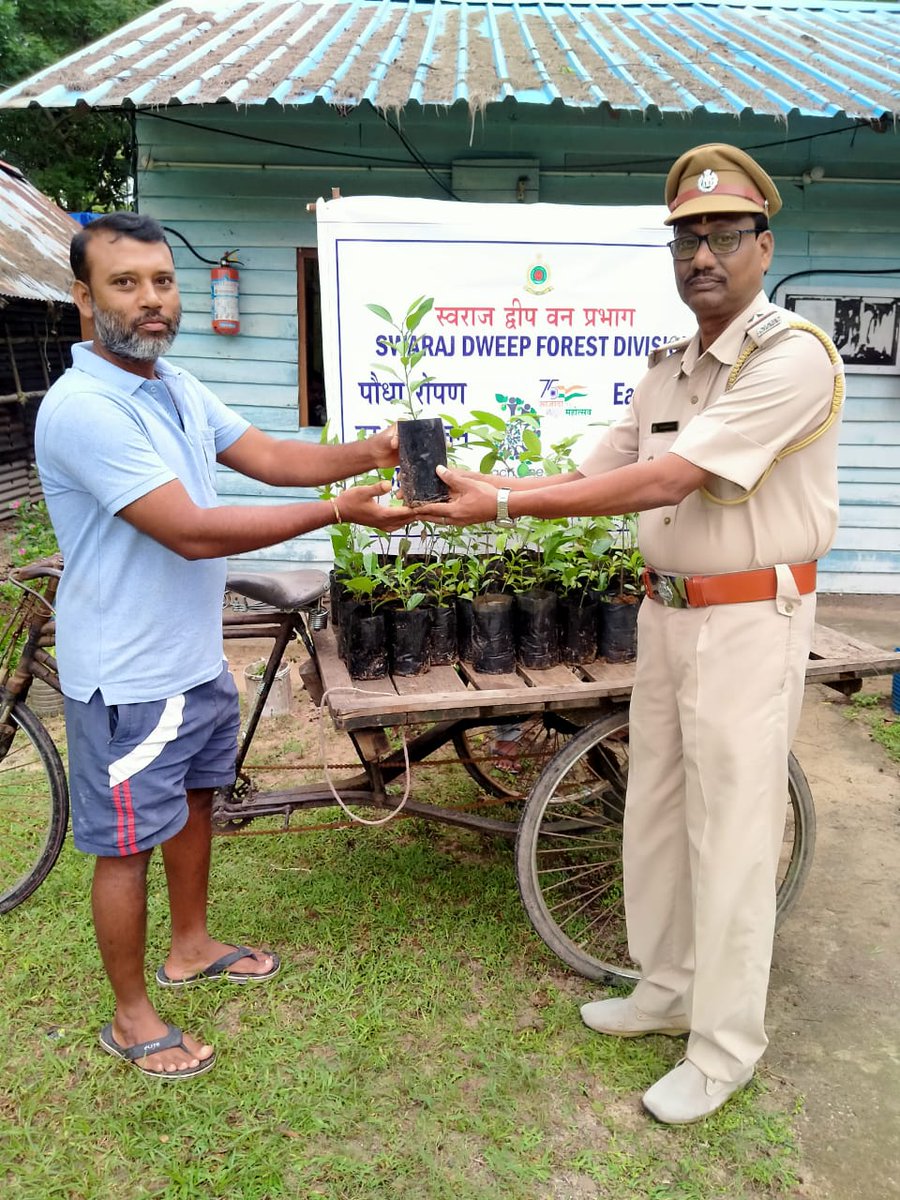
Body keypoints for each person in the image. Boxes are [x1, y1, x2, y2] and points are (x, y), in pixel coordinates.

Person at [416, 144, 842, 1123]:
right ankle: (666, 988)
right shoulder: (667, 370)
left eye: (723, 236)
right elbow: (595, 469)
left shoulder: (791, 359)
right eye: (687, 238)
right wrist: (481, 491)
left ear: (762, 245)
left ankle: (726, 1046)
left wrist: (507, 505)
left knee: (732, 833)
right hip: (669, 613)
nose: (703, 255)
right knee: (652, 810)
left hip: (750, 616)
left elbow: (665, 480)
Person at [35, 212, 413, 1080]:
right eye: (126, 283)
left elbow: (270, 456)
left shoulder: (169, 384)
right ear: (84, 296)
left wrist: (371, 452)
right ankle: (132, 1017)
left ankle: (192, 945)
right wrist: (337, 513)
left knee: (198, 801)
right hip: (128, 674)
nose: (152, 299)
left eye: (162, 281)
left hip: (191, 659)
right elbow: (192, 532)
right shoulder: (86, 408)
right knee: (125, 843)